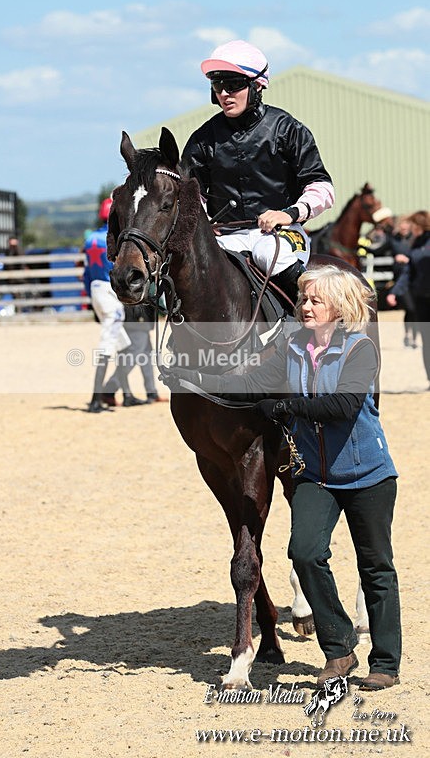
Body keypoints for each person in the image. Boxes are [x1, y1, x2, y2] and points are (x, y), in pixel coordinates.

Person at [167, 264, 401, 691]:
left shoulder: (360, 350)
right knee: (305, 552)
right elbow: (252, 382)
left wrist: (285, 407)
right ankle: (339, 649)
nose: (304, 307)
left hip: (367, 474)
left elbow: (343, 405)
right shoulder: (293, 349)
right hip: (317, 476)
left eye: (314, 301)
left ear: (339, 307)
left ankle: (384, 663)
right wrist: (195, 379)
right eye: (303, 300)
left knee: (376, 567)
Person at [181, 40, 335, 300]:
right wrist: (204, 223)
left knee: (267, 254)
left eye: (233, 85)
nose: (224, 94)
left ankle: (305, 319)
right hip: (226, 238)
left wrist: (289, 214)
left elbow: (322, 187)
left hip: (280, 235)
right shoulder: (202, 139)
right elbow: (191, 194)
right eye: (218, 86)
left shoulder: (288, 129)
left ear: (257, 85)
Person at [83, 198, 145, 412]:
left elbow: (85, 273)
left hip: (95, 290)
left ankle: (127, 395)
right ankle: (95, 399)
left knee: (125, 347)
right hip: (108, 294)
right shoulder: (114, 240)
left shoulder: (90, 239)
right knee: (107, 347)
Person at [387, 210, 430, 388]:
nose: (410, 227)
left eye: (412, 224)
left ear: (419, 225)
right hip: (421, 298)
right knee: (427, 340)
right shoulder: (416, 243)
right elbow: (408, 272)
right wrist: (394, 292)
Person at [101, 303, 163, 405]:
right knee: (131, 359)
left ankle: (152, 392)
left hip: (142, 322)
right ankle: (109, 390)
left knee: (146, 358)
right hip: (136, 321)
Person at [388, 215, 418, 348]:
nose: (404, 227)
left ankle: (414, 338)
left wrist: (408, 260)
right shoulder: (394, 240)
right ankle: (407, 334)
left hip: (415, 278)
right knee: (410, 308)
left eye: (406, 225)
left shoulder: (416, 239)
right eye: (401, 225)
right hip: (401, 279)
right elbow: (381, 249)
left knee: (416, 310)